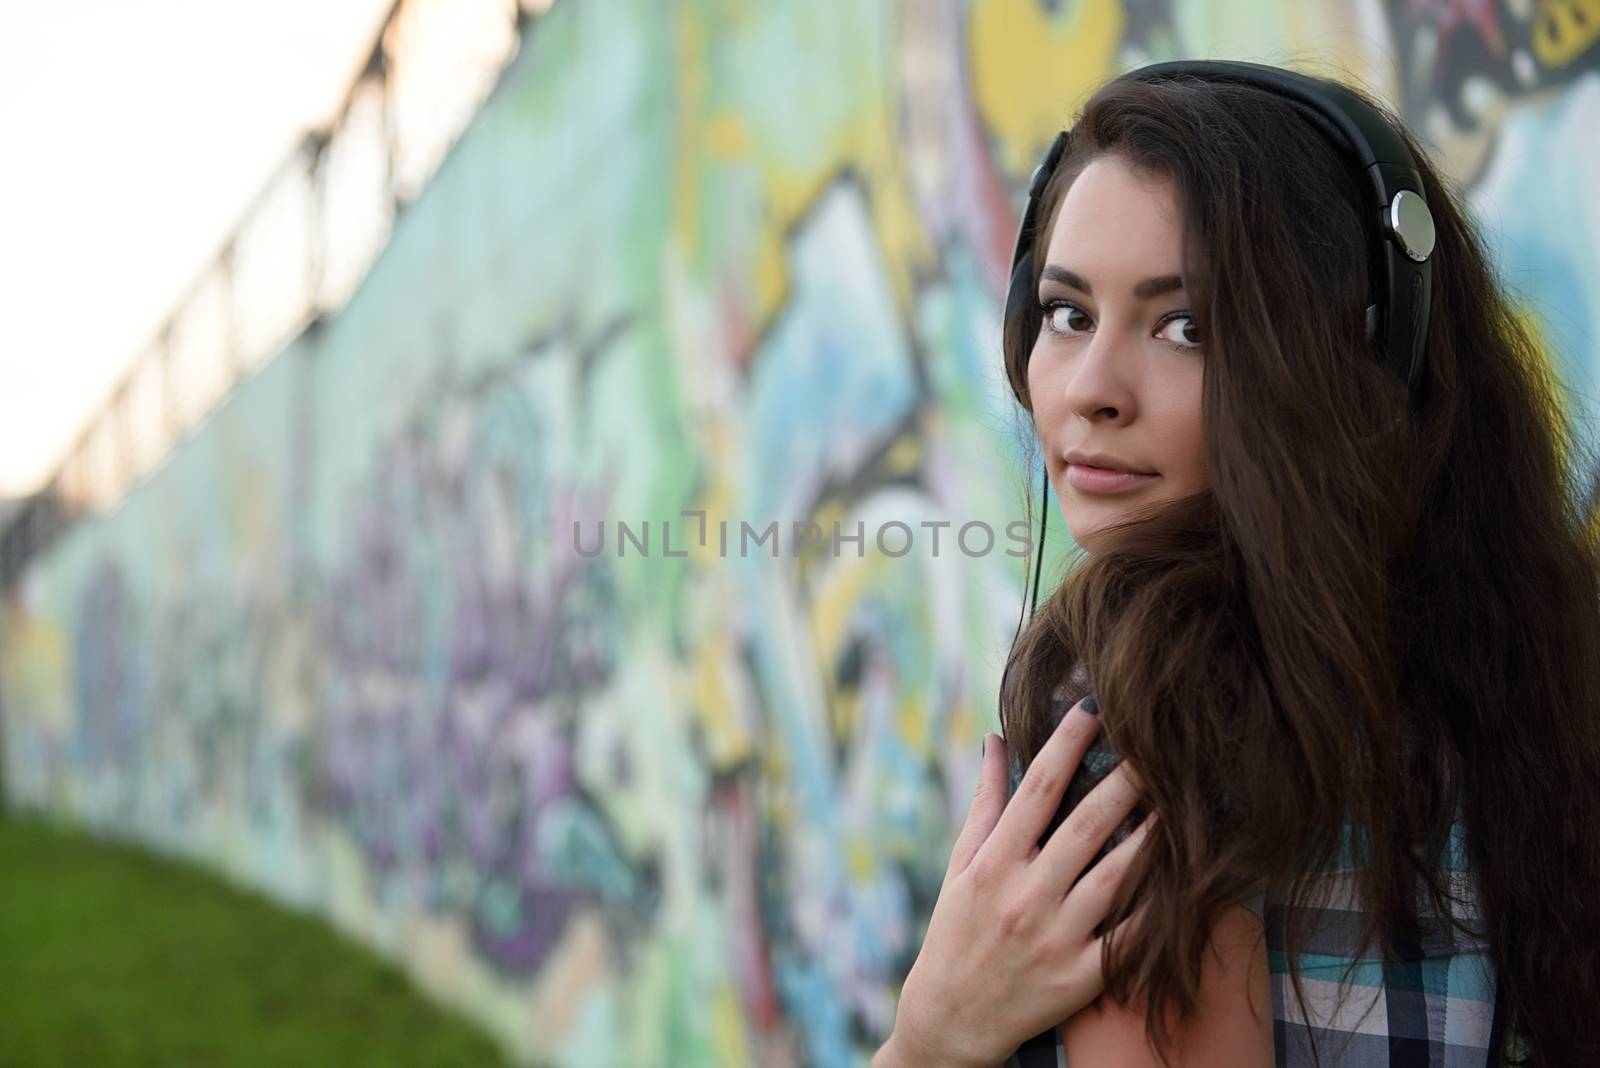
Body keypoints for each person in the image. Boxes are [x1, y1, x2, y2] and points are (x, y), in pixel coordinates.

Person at [872, 62, 1600, 1067]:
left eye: (1184, 326)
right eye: (1067, 313)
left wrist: (923, 1044)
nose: (1091, 391)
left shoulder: (1149, 705)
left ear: (1344, 361)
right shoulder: (1530, 684)